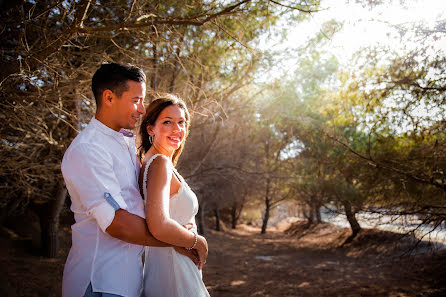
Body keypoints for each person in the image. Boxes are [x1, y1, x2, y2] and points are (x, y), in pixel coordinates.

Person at [61, 63, 204, 297]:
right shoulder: (89, 150)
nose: (142, 108)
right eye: (136, 99)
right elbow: (118, 224)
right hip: (99, 283)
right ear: (108, 97)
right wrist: (186, 240)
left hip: (130, 281)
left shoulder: (125, 144)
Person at [138, 94, 210, 297]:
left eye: (181, 122)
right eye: (167, 122)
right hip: (173, 269)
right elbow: (158, 224)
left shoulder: (155, 162)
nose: (177, 129)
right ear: (150, 128)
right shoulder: (159, 163)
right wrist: (198, 242)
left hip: (171, 264)